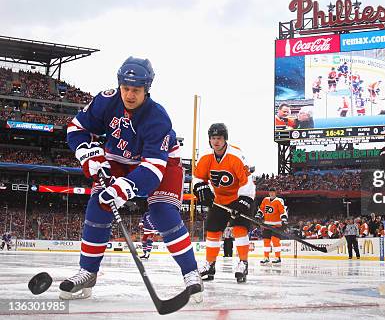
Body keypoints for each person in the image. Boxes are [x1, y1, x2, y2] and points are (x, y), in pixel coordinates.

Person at [60, 57, 202, 301]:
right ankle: (87, 272)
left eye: (136, 90)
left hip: (162, 163)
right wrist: (88, 155)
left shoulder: (158, 117)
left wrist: (121, 190)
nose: (129, 95)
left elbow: (152, 169)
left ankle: (192, 273)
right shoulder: (105, 100)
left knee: (162, 213)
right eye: (125, 88)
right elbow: (76, 128)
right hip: (118, 159)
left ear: (147, 89)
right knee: (98, 205)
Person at [193, 123, 255, 283]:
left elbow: (247, 180)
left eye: (219, 138)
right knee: (213, 231)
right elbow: (198, 176)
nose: (216, 141)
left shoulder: (236, 156)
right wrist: (200, 187)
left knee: (240, 229)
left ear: (225, 139)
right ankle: (210, 265)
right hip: (219, 200)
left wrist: (244, 201)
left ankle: (243, 263)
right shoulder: (205, 157)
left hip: (239, 198)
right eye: (213, 138)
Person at [256, 187, 288, 265]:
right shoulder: (265, 199)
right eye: (270, 192)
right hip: (266, 224)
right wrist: (259, 214)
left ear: (275, 193)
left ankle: (278, 257)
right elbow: (261, 209)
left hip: (277, 225)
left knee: (275, 240)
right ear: (269, 193)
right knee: (266, 241)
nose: (272, 193)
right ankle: (266, 257)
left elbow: (282, 210)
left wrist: (283, 218)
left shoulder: (279, 200)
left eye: (273, 192)